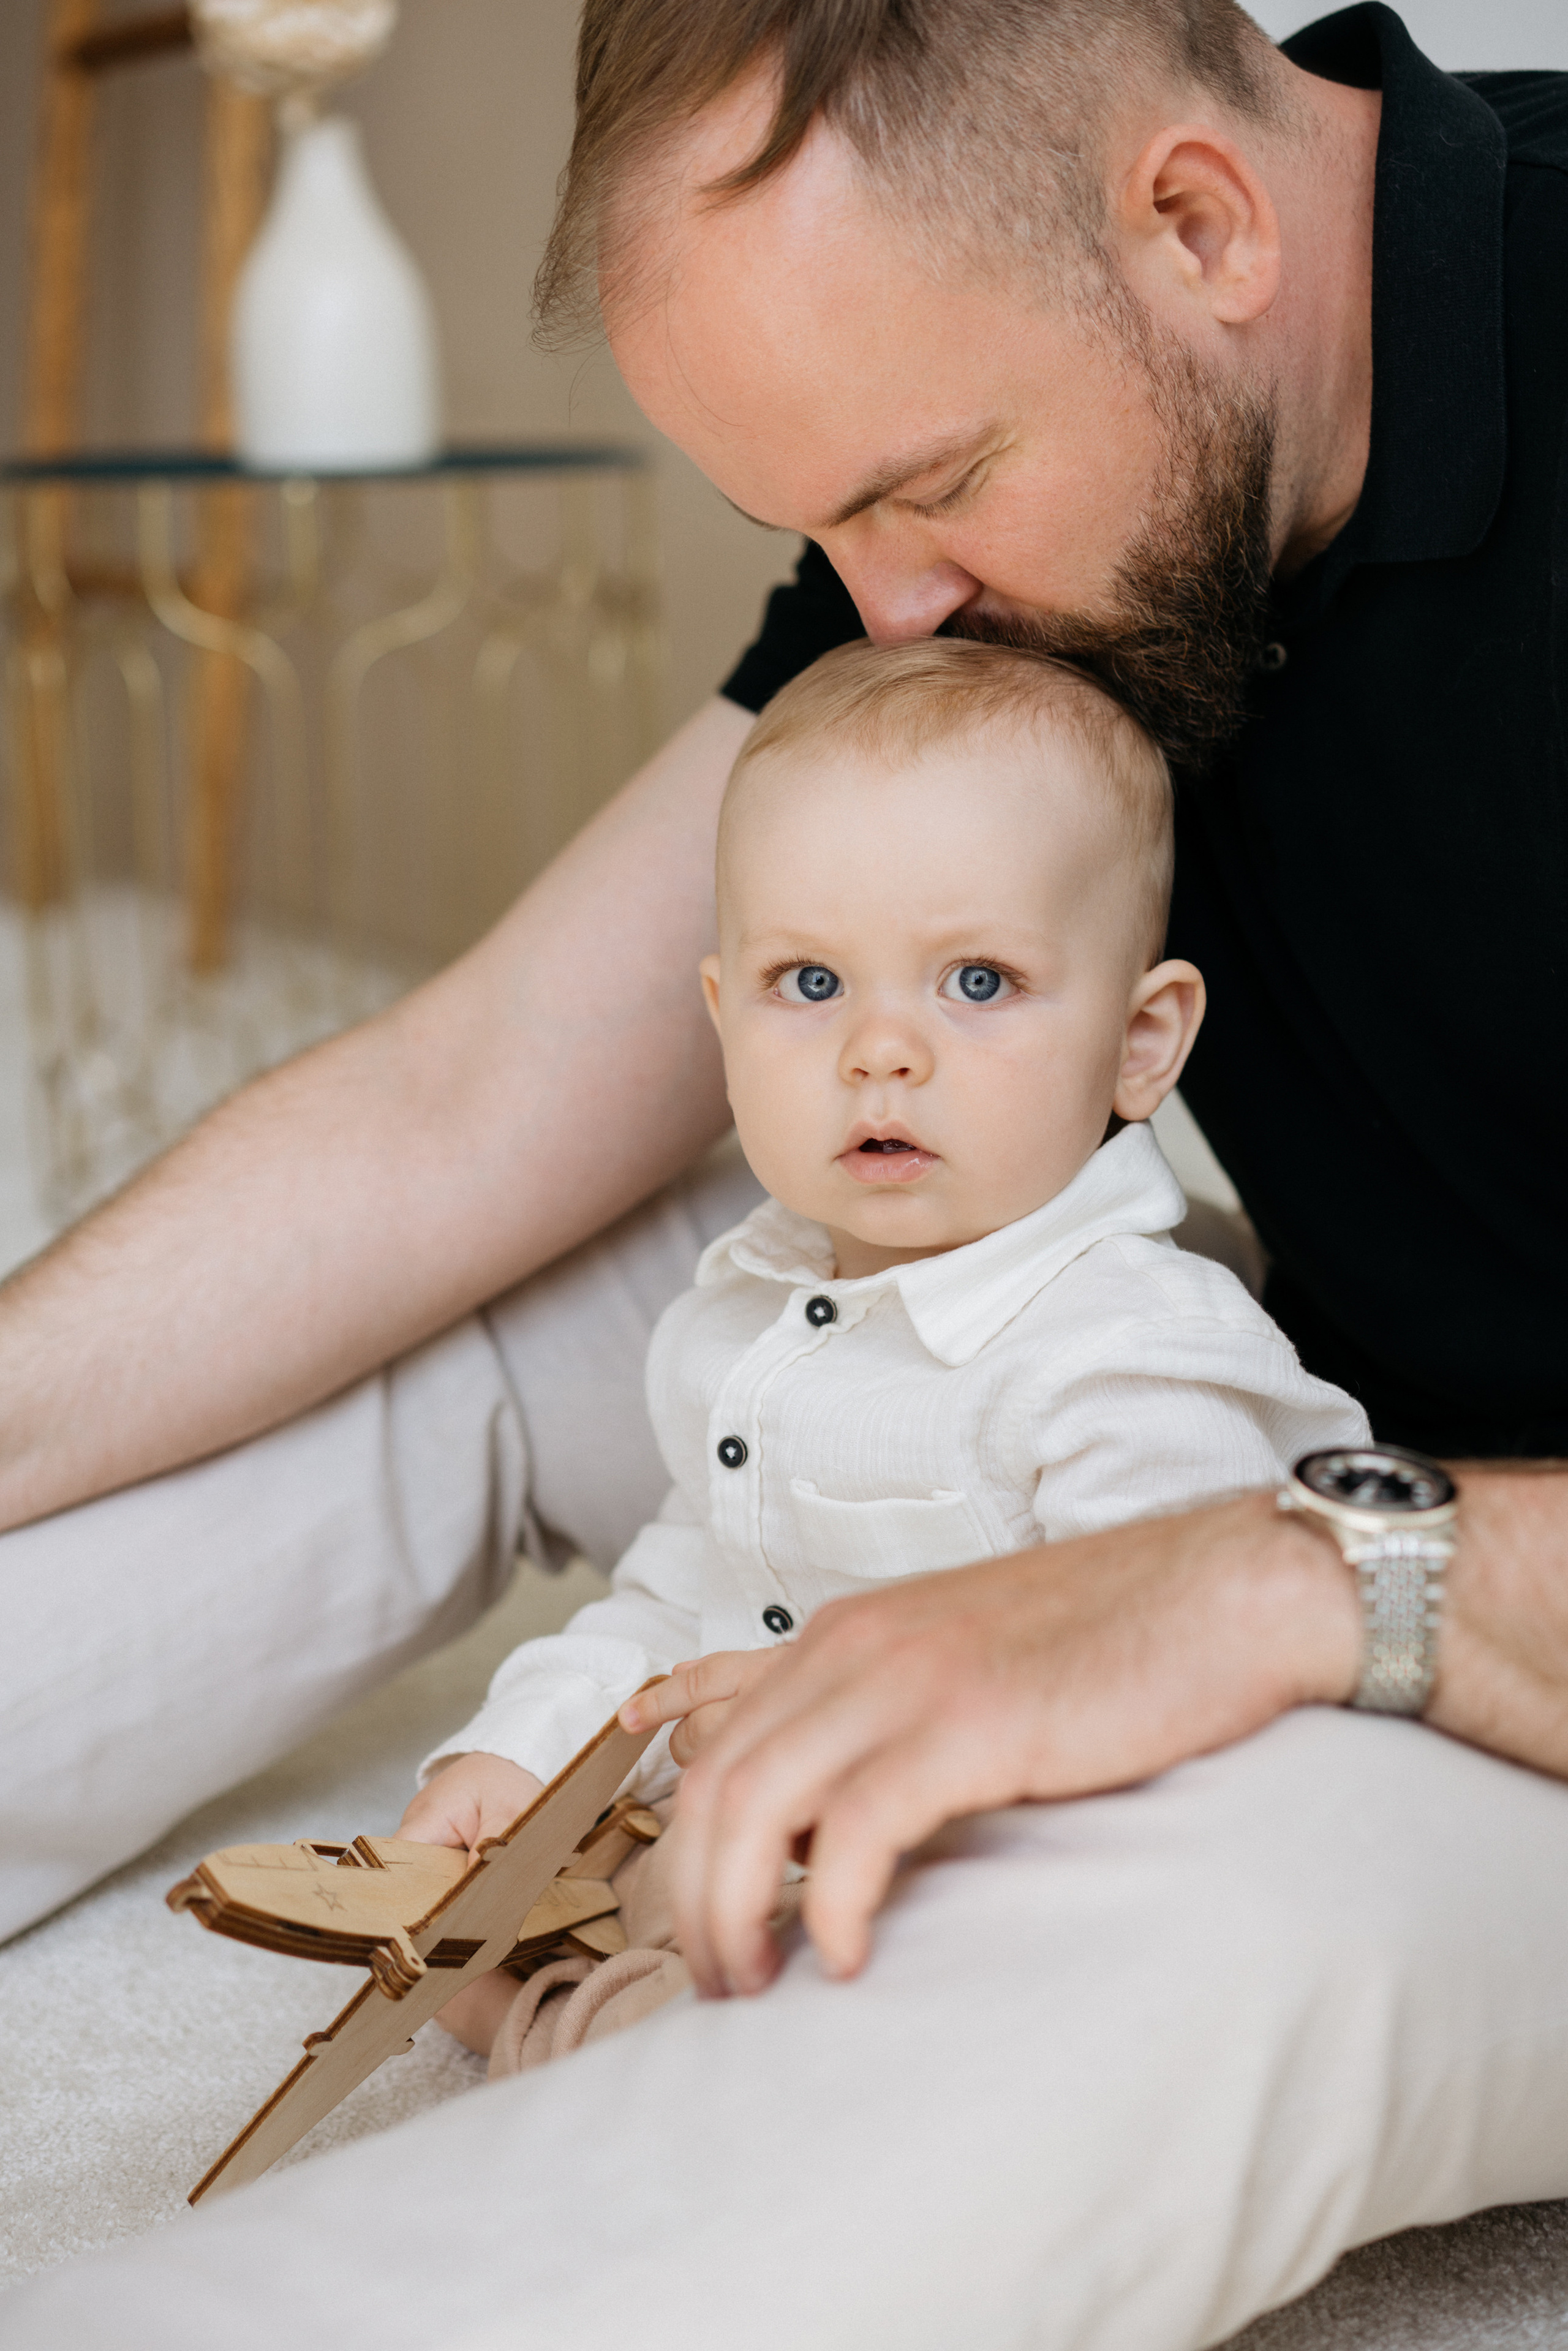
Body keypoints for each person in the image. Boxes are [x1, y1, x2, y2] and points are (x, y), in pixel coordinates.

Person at [6, 4, 1568, 2342]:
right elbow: (470, 1108)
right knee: (617, 1278)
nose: (883, 608)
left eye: (927, 487)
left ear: (1200, 222)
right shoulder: (980, 536)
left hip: (1486, 1634)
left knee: (1219, 1904)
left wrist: (1267, 1581)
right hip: (1300, 1392)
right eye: (821, 530)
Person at [399, 638, 1368, 2066]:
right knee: (568, 1885)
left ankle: (609, 2045)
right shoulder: (745, 1313)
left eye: (975, 981)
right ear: (722, 1021)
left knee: (884, 1976)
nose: (880, 1050)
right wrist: (517, 1755)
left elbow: (1185, 1688)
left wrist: (864, 1763)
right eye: (809, 983)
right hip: (795, 1803)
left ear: (1137, 1040)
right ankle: (574, 1999)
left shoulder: (1133, 1349)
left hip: (1022, 1838)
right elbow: (680, 1594)